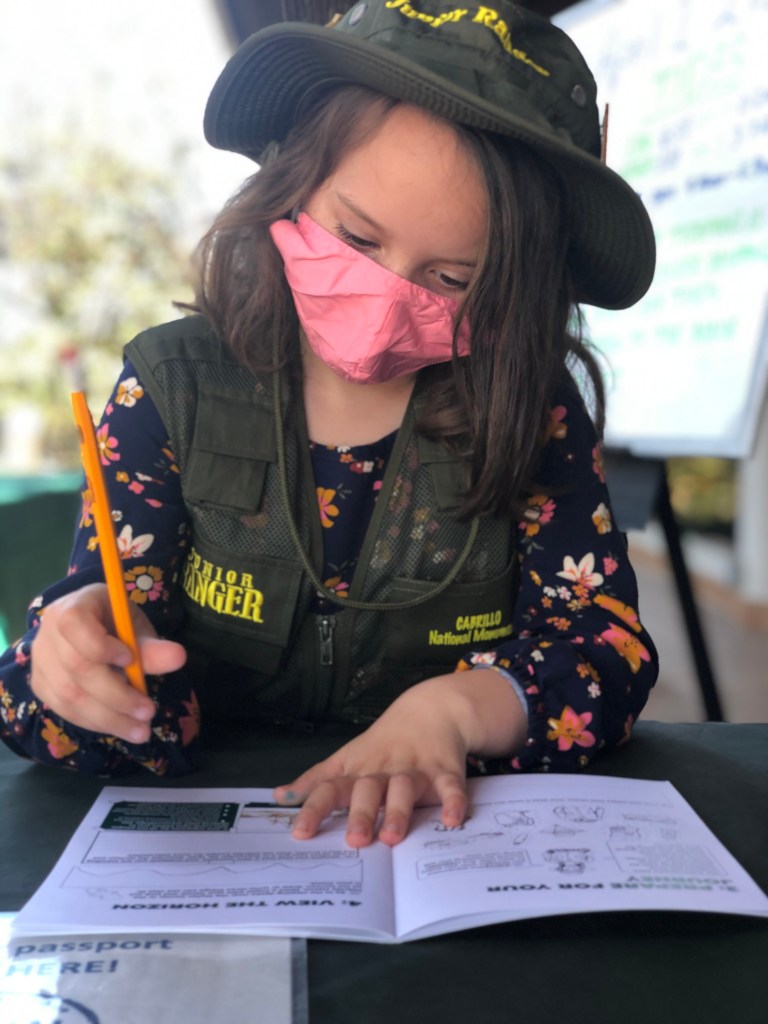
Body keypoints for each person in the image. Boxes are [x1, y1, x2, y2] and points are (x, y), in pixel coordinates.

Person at [0, 0, 658, 848]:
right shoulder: (171, 389)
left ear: (519, 298)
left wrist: (459, 709)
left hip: (439, 847)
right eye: (355, 236)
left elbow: (604, 645)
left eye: (454, 278)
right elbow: (112, 621)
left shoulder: (535, 417)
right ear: (290, 181)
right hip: (213, 856)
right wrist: (75, 656)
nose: (388, 301)